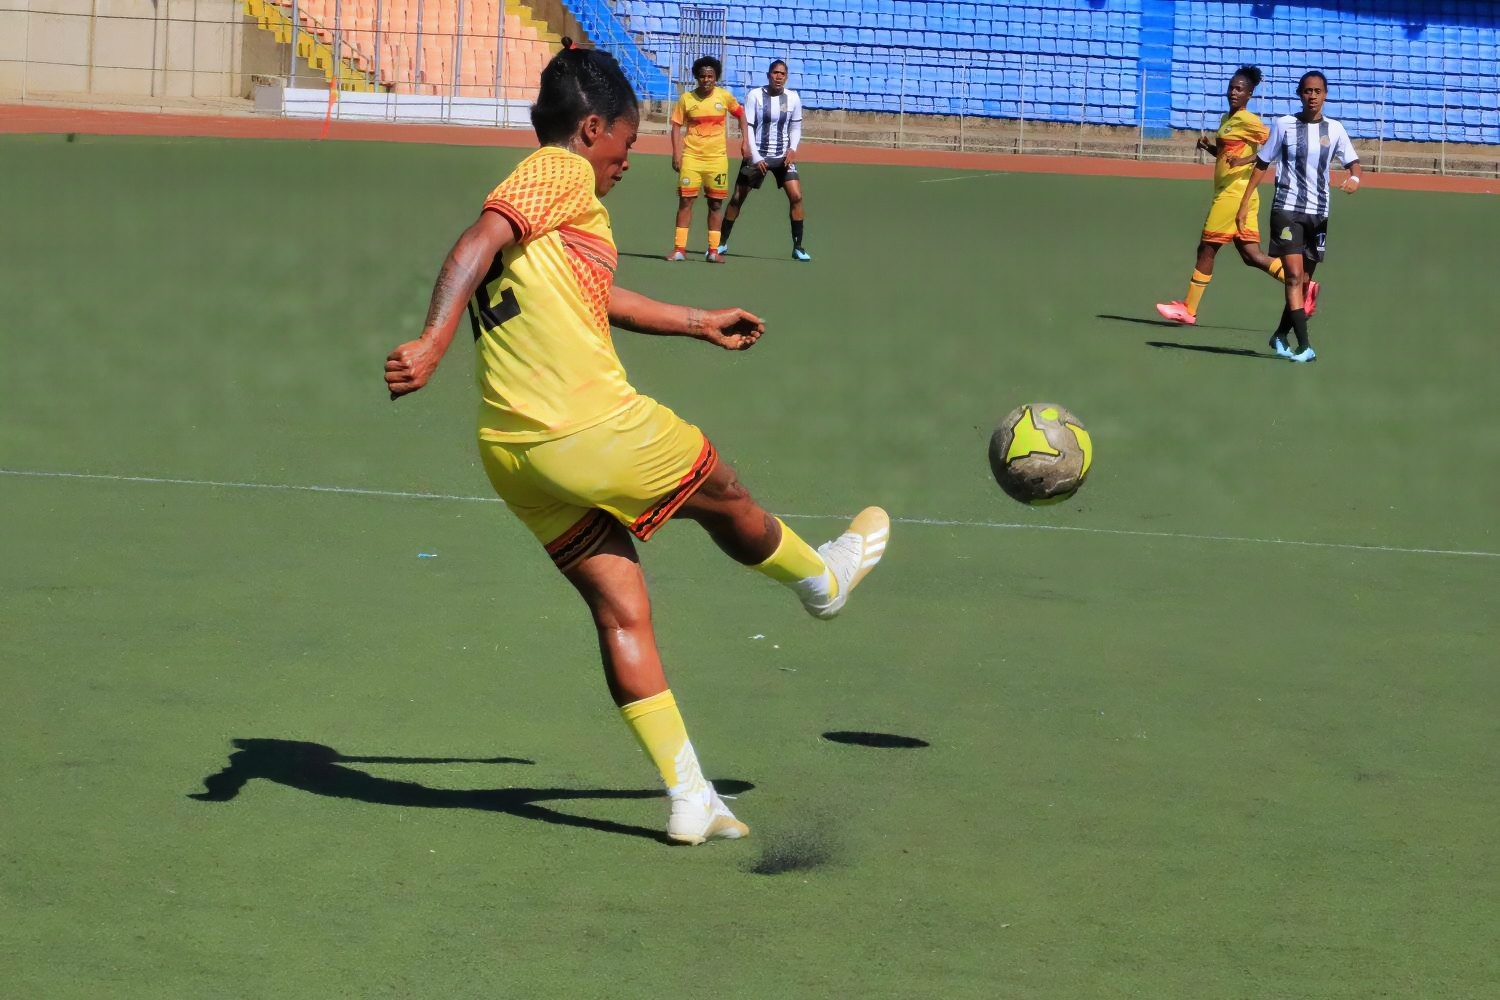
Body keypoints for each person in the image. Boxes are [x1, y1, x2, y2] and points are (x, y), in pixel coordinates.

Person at [383, 48, 890, 846]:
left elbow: (591, 293)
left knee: (621, 608)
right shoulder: (559, 173)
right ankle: (823, 580)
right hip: (590, 426)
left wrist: (695, 320)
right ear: (591, 131)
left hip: (514, 454)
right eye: (624, 145)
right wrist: (433, 340)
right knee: (723, 492)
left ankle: (690, 796)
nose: (627, 162)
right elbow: (475, 240)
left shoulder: (555, 217)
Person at [1237, 70, 1361, 362]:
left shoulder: (1336, 130)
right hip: (1287, 209)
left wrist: (1354, 179)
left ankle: (1280, 334)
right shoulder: (1284, 125)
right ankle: (1305, 346)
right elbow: (1262, 163)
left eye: (1317, 91)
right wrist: (1244, 204)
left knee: (1304, 281)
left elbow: (1354, 164)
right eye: (1307, 91)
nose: (1312, 96)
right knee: (1293, 276)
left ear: (1325, 95)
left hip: (1318, 212)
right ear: (1299, 94)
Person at [1156, 67, 1284, 325]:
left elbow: (1275, 145)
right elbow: (1229, 157)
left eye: (1239, 89)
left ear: (1249, 94)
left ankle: (1188, 309)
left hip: (1234, 194)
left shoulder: (1248, 120)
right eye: (1231, 87)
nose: (1233, 92)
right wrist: (1210, 147)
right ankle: (1303, 283)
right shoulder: (1228, 118)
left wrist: (1248, 159)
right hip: (1235, 192)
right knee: (1251, 255)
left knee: (1207, 248)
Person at [718, 59, 810, 261]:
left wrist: (792, 149)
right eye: (775, 73)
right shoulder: (755, 95)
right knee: (737, 199)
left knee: (796, 197)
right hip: (758, 155)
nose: (778, 77)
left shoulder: (793, 98)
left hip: (782, 156)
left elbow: (795, 127)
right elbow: (749, 126)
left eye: (782, 74)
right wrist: (756, 156)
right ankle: (721, 243)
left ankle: (798, 246)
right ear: (768, 75)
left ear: (786, 77)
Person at [668, 56, 743, 262]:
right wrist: (676, 153)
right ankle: (679, 249)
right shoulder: (686, 99)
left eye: (710, 76)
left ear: (716, 77)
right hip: (691, 157)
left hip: (716, 160)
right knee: (686, 201)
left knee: (716, 204)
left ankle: (713, 251)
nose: (706, 80)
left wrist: (745, 141)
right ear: (696, 77)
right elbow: (676, 126)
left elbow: (741, 115)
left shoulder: (725, 97)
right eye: (702, 76)